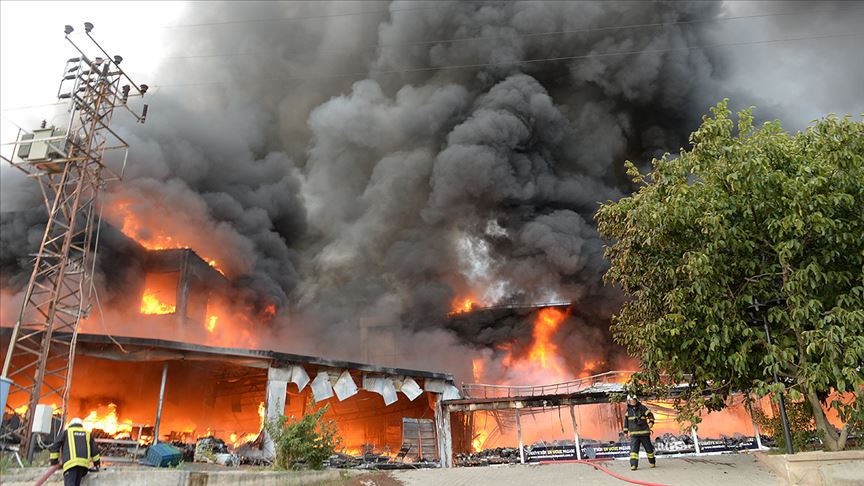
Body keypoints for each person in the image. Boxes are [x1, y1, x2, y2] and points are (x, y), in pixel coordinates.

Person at [49, 417, 101, 486]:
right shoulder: (87, 433)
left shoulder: (66, 432)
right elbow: (94, 450)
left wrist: (54, 462)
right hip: (83, 466)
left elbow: (55, 447)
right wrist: (96, 464)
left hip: (70, 465)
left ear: (70, 425)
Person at [623, 394, 655, 470]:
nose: (632, 402)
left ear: (636, 400)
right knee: (633, 451)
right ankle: (633, 465)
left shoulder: (642, 408)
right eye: (631, 401)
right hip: (634, 434)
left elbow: (650, 415)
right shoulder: (628, 411)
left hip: (644, 433)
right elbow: (626, 422)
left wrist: (651, 422)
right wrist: (625, 432)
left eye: (634, 400)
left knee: (649, 449)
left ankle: (652, 462)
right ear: (628, 401)